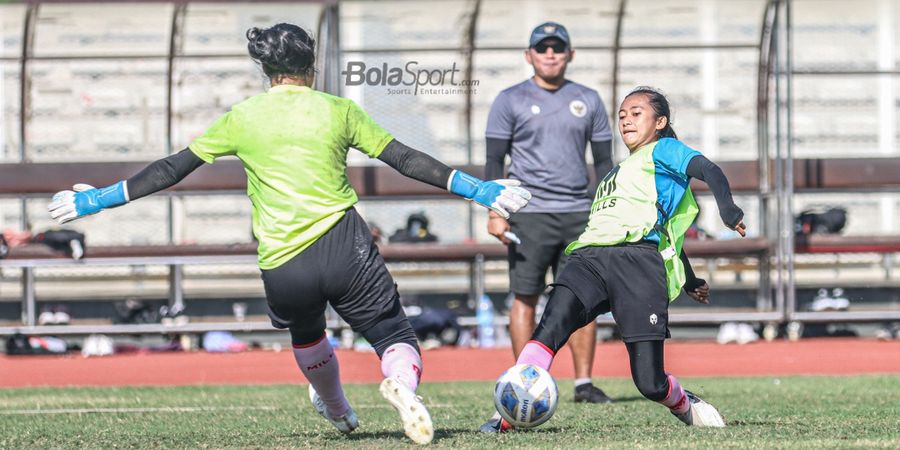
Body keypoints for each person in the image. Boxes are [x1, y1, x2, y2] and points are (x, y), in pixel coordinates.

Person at [47, 23, 531, 445]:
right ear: (311, 67)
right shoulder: (338, 109)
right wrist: (478, 189)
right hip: (345, 245)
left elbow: (173, 168)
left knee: (307, 333)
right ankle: (402, 383)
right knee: (392, 333)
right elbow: (404, 159)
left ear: (268, 71)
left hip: (284, 260)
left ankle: (338, 409)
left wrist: (99, 198)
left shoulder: (242, 116)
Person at [500, 86, 747, 428]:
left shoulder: (664, 150)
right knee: (550, 328)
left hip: (638, 266)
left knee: (649, 383)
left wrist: (728, 210)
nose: (626, 120)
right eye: (622, 115)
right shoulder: (617, 171)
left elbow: (709, 170)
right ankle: (507, 417)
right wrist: (691, 280)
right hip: (588, 258)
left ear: (660, 122)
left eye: (636, 113)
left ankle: (681, 401)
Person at [481, 21, 615, 432]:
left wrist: (608, 210)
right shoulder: (509, 100)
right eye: (543, 48)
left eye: (559, 48)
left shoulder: (588, 99)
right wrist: (495, 210)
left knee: (583, 299)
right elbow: (493, 164)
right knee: (525, 296)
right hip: (528, 213)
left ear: (570, 54)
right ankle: (527, 378)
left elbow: (605, 165)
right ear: (529, 56)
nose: (551, 54)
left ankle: (584, 381)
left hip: (579, 213)